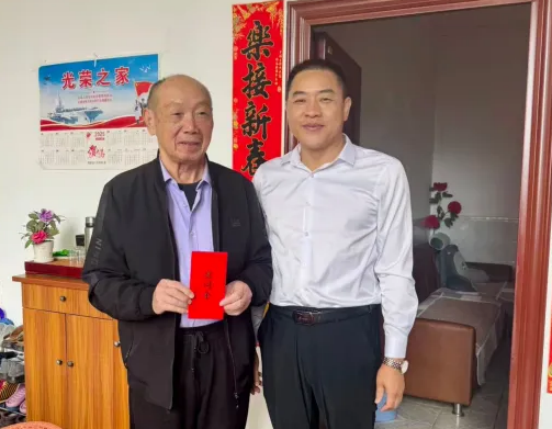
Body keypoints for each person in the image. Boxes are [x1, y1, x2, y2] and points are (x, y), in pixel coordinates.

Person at [82, 74, 272, 429]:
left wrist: (247, 286)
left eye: (202, 113)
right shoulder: (123, 193)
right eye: (176, 114)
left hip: (226, 353)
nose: (191, 126)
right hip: (156, 357)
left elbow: (263, 262)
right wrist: (149, 297)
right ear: (150, 121)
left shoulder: (238, 189)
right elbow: (99, 280)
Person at [252, 59, 418, 429]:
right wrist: (248, 343)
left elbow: (395, 270)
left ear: (345, 108)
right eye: (300, 100)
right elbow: (258, 264)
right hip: (282, 334)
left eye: (325, 99)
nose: (311, 111)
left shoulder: (382, 173)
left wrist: (394, 361)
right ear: (287, 109)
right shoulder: (267, 177)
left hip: (350, 333)